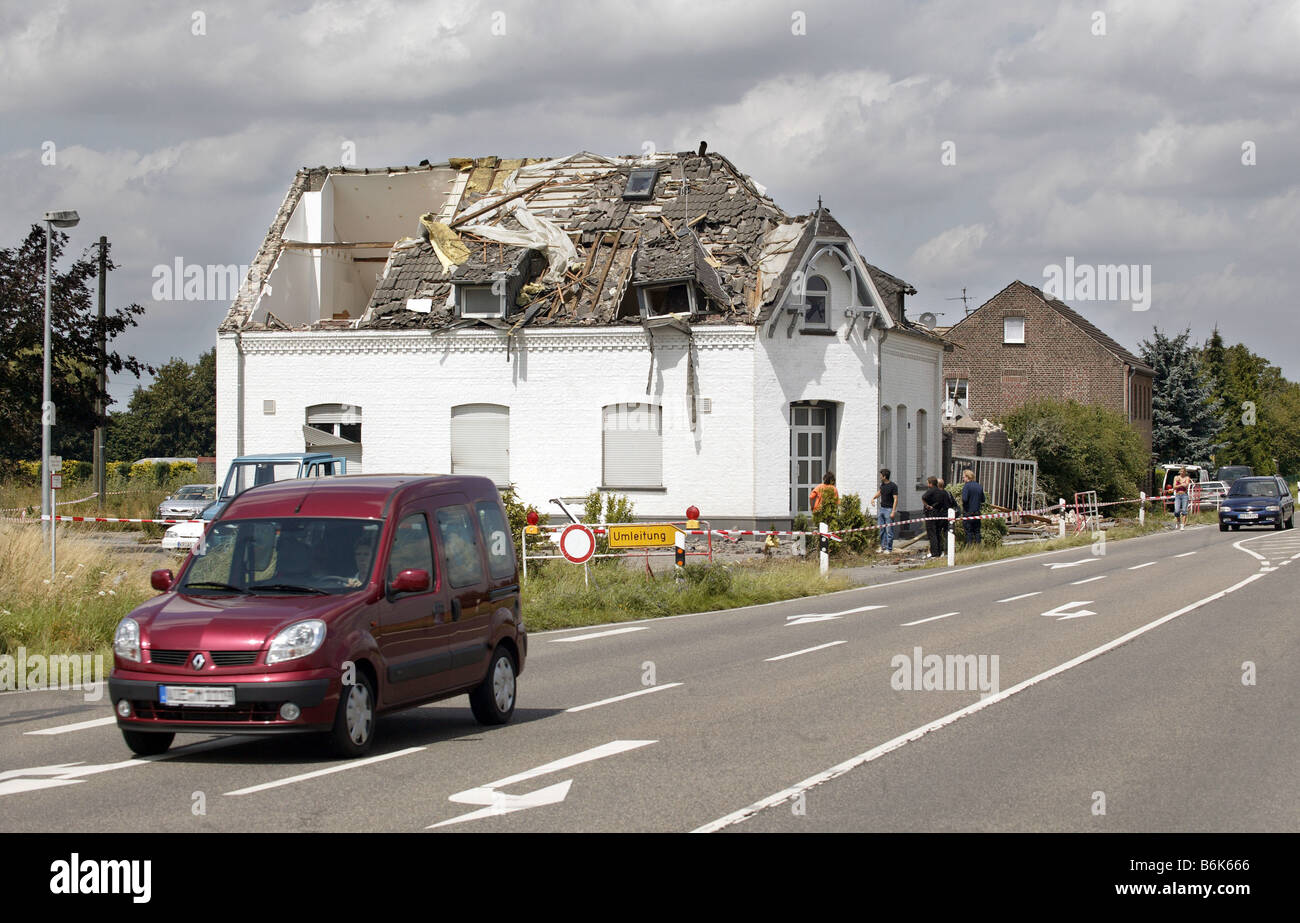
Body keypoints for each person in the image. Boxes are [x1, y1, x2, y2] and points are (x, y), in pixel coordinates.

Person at [871, 469, 899, 552]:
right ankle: (882, 547)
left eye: (881, 475)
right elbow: (880, 492)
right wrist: (873, 498)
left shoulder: (893, 486)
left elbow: (895, 499)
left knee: (889, 530)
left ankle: (889, 548)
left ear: (884, 476)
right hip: (882, 509)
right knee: (881, 529)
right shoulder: (882, 485)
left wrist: (893, 511)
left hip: (889, 510)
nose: (880, 477)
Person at [921, 475, 949, 558]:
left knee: (932, 534)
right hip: (939, 515)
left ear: (930, 484)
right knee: (938, 533)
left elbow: (923, 497)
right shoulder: (941, 492)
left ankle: (934, 553)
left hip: (931, 514)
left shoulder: (931, 490)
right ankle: (939, 551)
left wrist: (927, 506)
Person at [961, 468, 985, 547]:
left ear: (967, 477)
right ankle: (978, 547)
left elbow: (964, 499)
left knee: (969, 532)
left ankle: (970, 547)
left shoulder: (966, 487)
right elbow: (983, 499)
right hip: (977, 512)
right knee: (977, 531)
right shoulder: (979, 486)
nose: (963, 479)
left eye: (964, 477)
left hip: (968, 512)